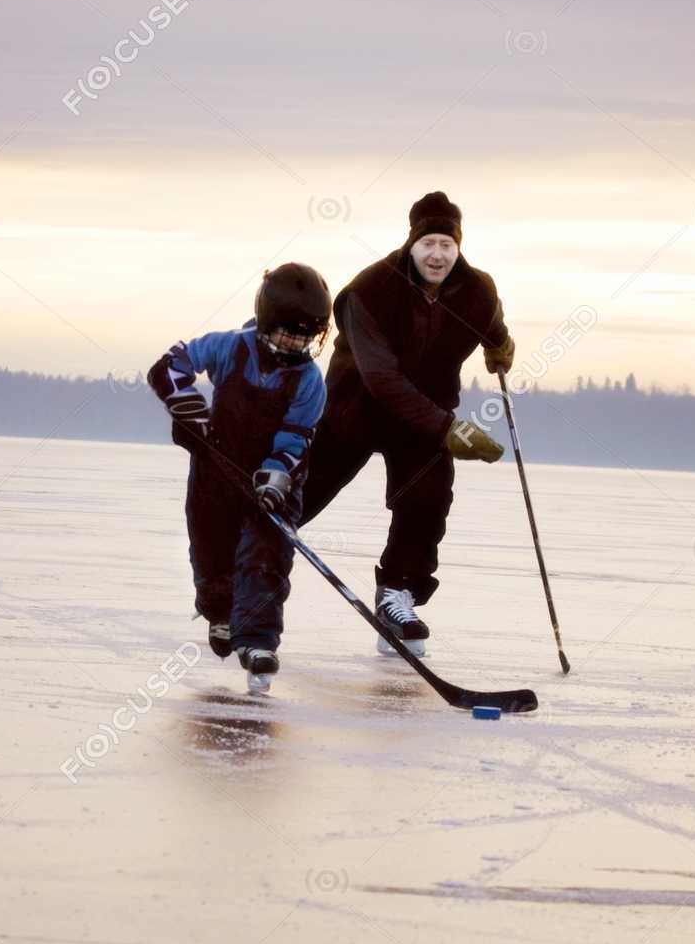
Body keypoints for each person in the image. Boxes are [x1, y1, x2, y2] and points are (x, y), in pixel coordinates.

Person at [301, 191, 514, 655]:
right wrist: (448, 429)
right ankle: (239, 572)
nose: (437, 254)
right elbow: (382, 380)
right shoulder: (367, 291)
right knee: (303, 494)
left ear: (458, 247)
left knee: (428, 498)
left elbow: (491, 320)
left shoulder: (477, 289)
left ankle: (397, 593)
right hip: (356, 409)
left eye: (447, 245)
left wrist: (499, 345)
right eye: (428, 244)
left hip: (425, 419)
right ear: (411, 243)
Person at [148, 264, 330, 693]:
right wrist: (192, 414)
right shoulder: (230, 348)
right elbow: (169, 367)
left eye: (306, 336)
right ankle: (220, 614)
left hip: (272, 484)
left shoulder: (309, 381)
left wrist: (275, 478)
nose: (296, 344)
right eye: (288, 333)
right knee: (212, 556)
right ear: (266, 320)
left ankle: (259, 642)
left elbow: (296, 437)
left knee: (265, 556)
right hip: (214, 474)